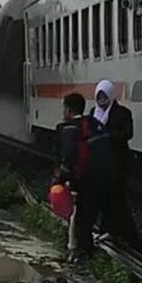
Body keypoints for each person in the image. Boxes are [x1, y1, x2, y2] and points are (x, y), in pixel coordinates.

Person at [89, 79, 142, 252]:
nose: (101, 99)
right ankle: (110, 232)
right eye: (99, 96)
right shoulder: (93, 112)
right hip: (100, 164)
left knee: (118, 200)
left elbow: (128, 133)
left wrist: (108, 136)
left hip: (118, 164)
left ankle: (132, 240)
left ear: (111, 95)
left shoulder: (122, 113)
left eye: (104, 96)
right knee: (106, 199)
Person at [54, 93, 94, 262]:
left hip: (76, 175)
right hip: (92, 173)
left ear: (68, 110)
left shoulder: (66, 128)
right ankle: (84, 247)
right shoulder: (90, 124)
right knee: (85, 212)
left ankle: (74, 249)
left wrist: (61, 177)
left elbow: (68, 155)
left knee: (74, 213)